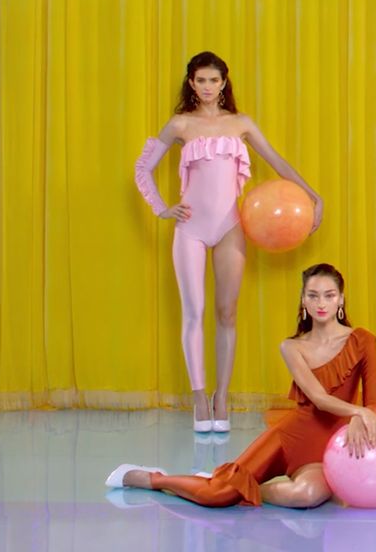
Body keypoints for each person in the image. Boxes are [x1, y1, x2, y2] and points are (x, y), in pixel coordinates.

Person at [133, 51, 323, 432]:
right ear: (191, 83)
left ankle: (222, 395)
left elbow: (278, 162)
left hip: (230, 227)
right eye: (200, 80)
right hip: (190, 228)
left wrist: (312, 195)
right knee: (194, 311)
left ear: (224, 84)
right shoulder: (179, 125)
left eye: (214, 80)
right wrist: (161, 208)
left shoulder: (241, 124)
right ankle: (199, 398)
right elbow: (142, 169)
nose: (207, 87)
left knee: (226, 313)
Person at [106, 264, 376, 508]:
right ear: (303, 300)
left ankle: (241, 486)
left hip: (329, 448)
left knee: (307, 496)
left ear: (341, 299)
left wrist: (363, 414)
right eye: (313, 295)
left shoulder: (363, 340)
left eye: (329, 295)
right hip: (292, 437)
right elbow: (319, 398)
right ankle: (152, 478)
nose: (321, 303)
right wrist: (358, 413)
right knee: (218, 496)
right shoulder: (292, 346)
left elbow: (374, 403)